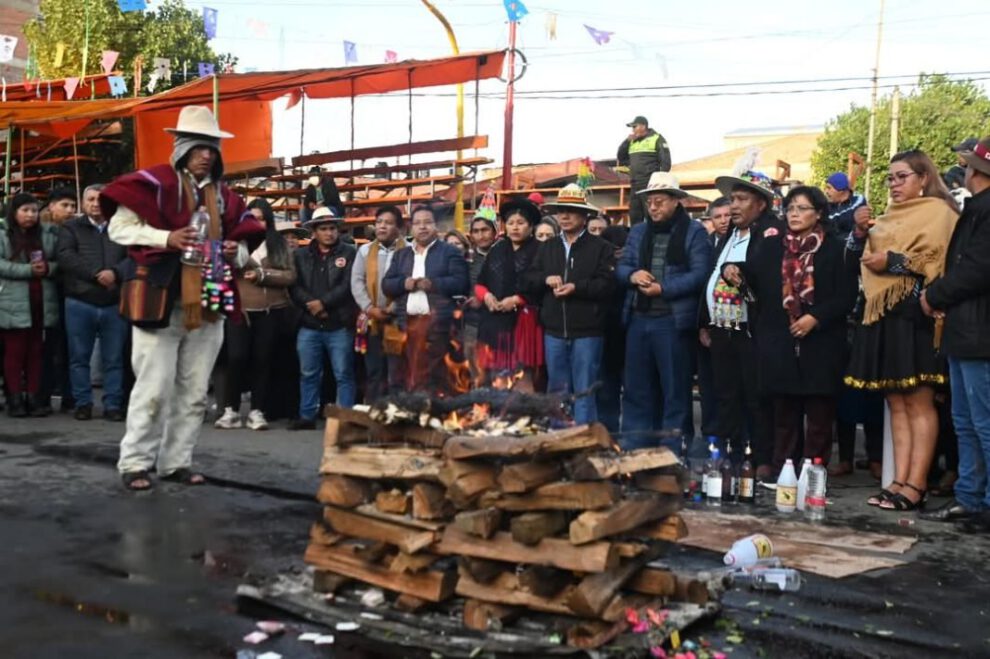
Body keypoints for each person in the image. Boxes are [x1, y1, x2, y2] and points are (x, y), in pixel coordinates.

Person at [102, 105, 265, 491]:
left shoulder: (225, 197)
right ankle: (135, 462)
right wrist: (166, 238)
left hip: (210, 301)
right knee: (153, 387)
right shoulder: (154, 183)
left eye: (211, 146)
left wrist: (234, 253)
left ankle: (176, 461)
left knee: (194, 390)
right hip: (161, 298)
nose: (206, 153)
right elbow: (119, 228)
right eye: (198, 146)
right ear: (180, 148)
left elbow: (243, 248)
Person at [845, 149, 959, 511]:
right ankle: (898, 480)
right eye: (890, 178)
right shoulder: (888, 217)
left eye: (902, 176)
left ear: (924, 177)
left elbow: (938, 262)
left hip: (920, 316)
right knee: (895, 400)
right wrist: (861, 233)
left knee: (919, 400)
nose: (894, 184)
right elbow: (859, 263)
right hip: (885, 315)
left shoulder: (941, 212)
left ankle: (916, 483)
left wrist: (892, 261)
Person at [736, 186, 856, 469]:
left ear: (818, 213)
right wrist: (735, 271)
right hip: (781, 341)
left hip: (822, 342)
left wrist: (816, 317)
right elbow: (753, 281)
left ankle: (814, 476)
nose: (794, 214)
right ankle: (783, 473)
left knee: (818, 418)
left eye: (802, 208)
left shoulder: (836, 247)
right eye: (790, 208)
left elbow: (847, 295)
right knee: (784, 416)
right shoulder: (772, 246)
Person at [920, 137, 990, 530]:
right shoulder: (977, 209)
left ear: (976, 172)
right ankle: (970, 498)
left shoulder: (986, 212)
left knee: (983, 422)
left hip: (981, 333)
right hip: (967, 331)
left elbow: (978, 269)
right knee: (965, 421)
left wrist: (934, 293)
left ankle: (983, 501)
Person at [617, 172, 712, 449]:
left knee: (674, 391)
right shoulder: (638, 231)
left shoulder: (693, 231)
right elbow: (622, 268)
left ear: (675, 201)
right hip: (638, 317)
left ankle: (673, 453)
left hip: (672, 321)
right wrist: (633, 275)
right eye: (650, 203)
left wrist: (664, 288)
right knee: (636, 390)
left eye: (659, 201)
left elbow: (700, 274)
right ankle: (635, 450)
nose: (654, 207)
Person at [703, 170, 784, 477]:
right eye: (732, 199)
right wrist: (705, 321)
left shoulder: (770, 233)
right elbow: (711, 278)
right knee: (726, 394)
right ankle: (731, 454)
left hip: (754, 330)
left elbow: (766, 272)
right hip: (723, 327)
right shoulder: (728, 235)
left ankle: (762, 457)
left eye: (741, 199)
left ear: (761, 204)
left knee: (757, 396)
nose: (734, 206)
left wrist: (738, 270)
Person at [523, 184, 615, 424]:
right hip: (554, 331)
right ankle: (558, 442)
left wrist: (576, 287)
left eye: (571, 211)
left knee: (584, 391)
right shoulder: (547, 247)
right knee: (558, 391)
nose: (564, 216)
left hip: (587, 332)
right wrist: (545, 279)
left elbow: (607, 285)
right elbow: (528, 280)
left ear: (584, 216)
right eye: (560, 210)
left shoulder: (601, 248)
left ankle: (584, 443)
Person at [214, 199, 300, 430]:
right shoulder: (234, 243)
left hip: (270, 311)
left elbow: (290, 276)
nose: (258, 222)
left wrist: (263, 275)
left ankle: (256, 411)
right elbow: (219, 273)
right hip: (239, 311)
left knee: (263, 360)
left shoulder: (278, 243)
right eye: (253, 218)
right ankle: (230, 410)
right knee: (236, 358)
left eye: (262, 218)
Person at [56, 183, 129, 421]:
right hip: (80, 301)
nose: (95, 203)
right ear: (83, 202)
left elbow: (133, 258)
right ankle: (83, 403)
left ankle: (113, 405)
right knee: (79, 357)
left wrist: (115, 274)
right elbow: (66, 256)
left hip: (114, 302)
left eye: (101, 199)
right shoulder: (70, 227)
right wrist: (98, 273)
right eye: (90, 199)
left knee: (114, 358)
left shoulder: (122, 227)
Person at [382, 205, 470, 394]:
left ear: (436, 226)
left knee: (434, 378)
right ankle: (408, 416)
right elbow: (386, 284)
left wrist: (433, 284)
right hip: (405, 324)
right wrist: (404, 283)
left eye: (427, 222)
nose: (422, 227)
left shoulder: (449, 252)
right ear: (411, 228)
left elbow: (461, 283)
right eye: (418, 223)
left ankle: (433, 416)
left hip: (437, 326)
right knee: (405, 377)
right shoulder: (401, 255)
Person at [289, 206, 358, 429]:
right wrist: (312, 305)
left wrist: (323, 303)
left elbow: (348, 285)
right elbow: (294, 286)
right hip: (309, 323)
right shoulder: (300, 255)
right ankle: (307, 416)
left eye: (332, 228)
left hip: (338, 323)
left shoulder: (350, 252)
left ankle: (343, 419)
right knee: (308, 373)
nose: (329, 233)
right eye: (324, 229)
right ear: (314, 232)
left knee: (343, 374)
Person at [0, 193, 60, 417]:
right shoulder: (3, 233)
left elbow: (59, 261)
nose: (30, 215)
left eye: (34, 210)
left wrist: (48, 269)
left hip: (41, 300)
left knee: (36, 351)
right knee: (15, 352)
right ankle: (15, 399)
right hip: (12, 301)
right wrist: (27, 270)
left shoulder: (47, 234)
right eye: (25, 210)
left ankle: (35, 399)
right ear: (14, 212)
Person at [474, 199, 543, 385]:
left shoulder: (540, 250)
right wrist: (486, 296)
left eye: (521, 223)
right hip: (492, 320)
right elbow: (480, 283)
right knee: (490, 375)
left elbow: (541, 285)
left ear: (531, 226)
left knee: (520, 376)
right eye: (511, 223)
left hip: (523, 322)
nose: (515, 228)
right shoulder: (498, 249)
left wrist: (517, 299)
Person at [351, 205, 406, 402]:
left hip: (398, 321)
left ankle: (396, 419)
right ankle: (374, 417)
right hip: (372, 321)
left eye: (388, 223)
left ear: (399, 227)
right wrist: (369, 308)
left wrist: (394, 307)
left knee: (396, 374)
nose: (382, 227)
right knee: (374, 372)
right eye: (379, 222)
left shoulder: (408, 251)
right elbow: (356, 282)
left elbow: (412, 283)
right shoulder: (365, 251)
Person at [617, 115, 672, 225]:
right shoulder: (632, 141)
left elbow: (666, 163)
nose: (632, 129)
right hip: (635, 184)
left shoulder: (657, 138)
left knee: (652, 214)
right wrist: (626, 142)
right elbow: (621, 157)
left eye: (634, 126)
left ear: (643, 126)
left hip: (649, 185)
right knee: (634, 216)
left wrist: (658, 183)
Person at [465, 215, 498, 378]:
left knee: (498, 376)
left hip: (498, 323)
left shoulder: (504, 255)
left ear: (494, 232)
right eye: (476, 231)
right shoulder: (467, 260)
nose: (481, 235)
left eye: (485, 230)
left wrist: (484, 299)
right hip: (472, 324)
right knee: (475, 374)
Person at [824, 172, 868, 239]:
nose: (826, 191)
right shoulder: (828, 206)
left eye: (829, 188)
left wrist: (827, 222)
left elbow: (848, 215)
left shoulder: (858, 200)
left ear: (840, 190)